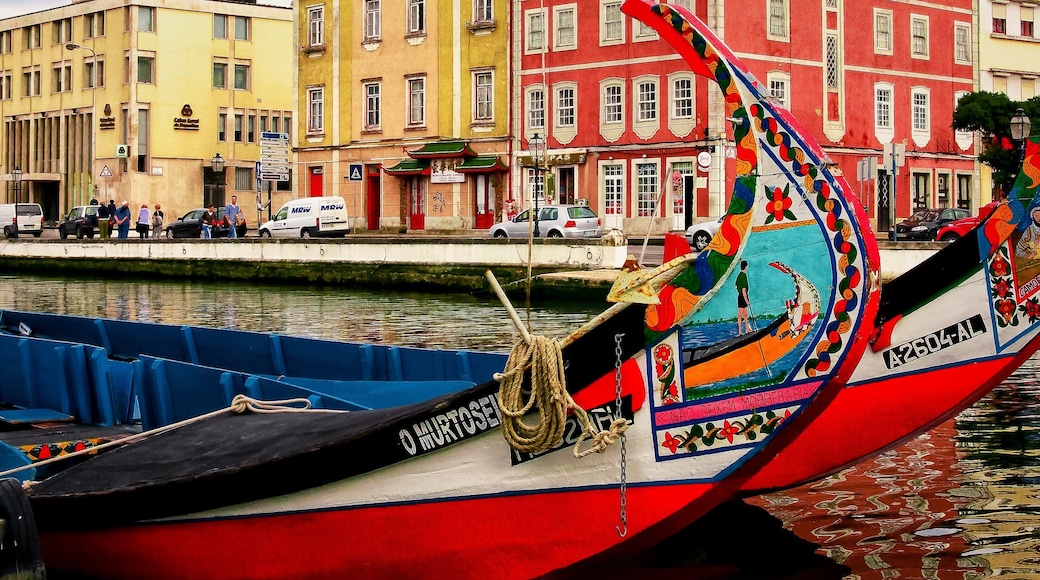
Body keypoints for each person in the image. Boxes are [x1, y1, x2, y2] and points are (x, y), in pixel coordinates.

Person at [735, 260, 751, 335]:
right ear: (746, 266)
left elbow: (736, 285)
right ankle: (740, 331)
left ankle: (747, 329)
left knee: (744, 314)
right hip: (743, 297)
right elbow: (744, 290)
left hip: (740, 296)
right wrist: (746, 300)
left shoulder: (739, 275)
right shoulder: (743, 276)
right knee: (741, 314)